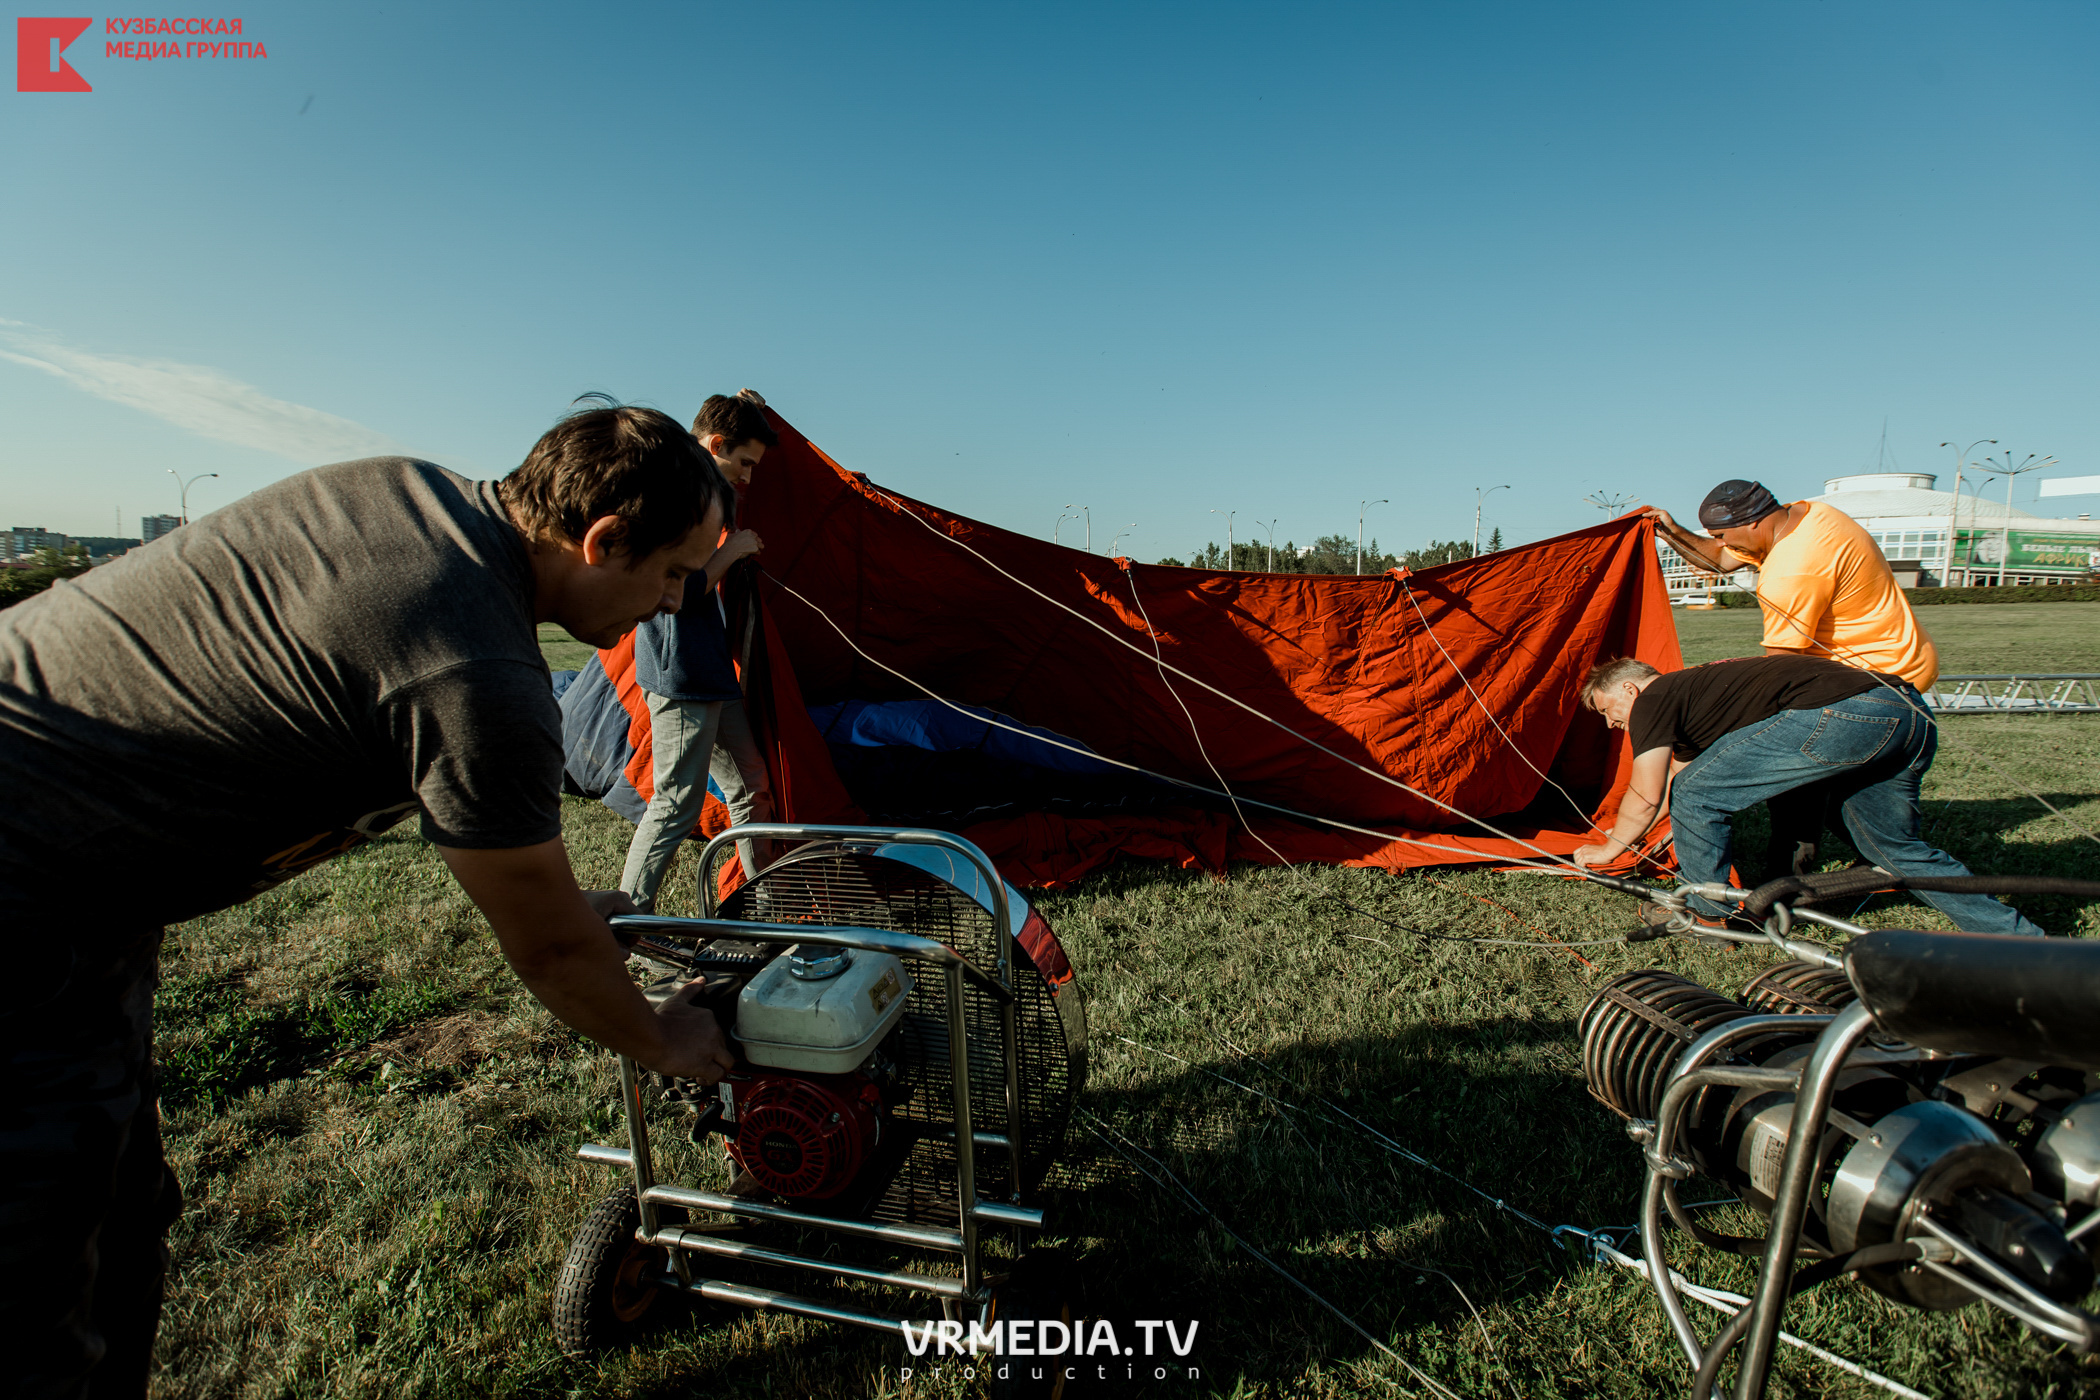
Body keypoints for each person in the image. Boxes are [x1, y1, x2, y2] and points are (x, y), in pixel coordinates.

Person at [0, 402, 740, 1398]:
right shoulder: (478, 666)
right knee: (30, 1284)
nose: (673, 602)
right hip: (29, 902)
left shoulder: (419, 498)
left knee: (124, 1225)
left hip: (92, 894)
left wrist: (574, 905)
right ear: (601, 540)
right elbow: (553, 954)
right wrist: (662, 1040)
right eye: (673, 574)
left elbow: (412, 765)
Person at [1571, 655, 2044, 938]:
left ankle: (1709, 916)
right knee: (1894, 851)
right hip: (1909, 711)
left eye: (1608, 711)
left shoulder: (1656, 697)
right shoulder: (1699, 700)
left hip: (1848, 715)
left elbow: (1652, 790)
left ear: (1629, 689)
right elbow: (1688, 786)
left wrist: (1610, 849)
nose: (1613, 724)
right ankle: (2023, 940)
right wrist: (1668, 830)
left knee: (1695, 794)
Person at [1638, 479, 1941, 877]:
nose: (1723, 544)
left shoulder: (1792, 569)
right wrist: (1672, 531)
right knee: (1866, 809)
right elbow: (1721, 561)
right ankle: (1886, 867)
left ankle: (1787, 880)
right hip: (1902, 676)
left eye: (1722, 535)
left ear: (1754, 523)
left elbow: (1781, 673)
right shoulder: (1811, 515)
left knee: (1790, 781)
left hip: (1863, 687)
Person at [617, 390, 779, 912]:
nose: (748, 477)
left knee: (750, 786)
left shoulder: (701, 486)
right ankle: (627, 921)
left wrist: (743, 401)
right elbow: (671, 596)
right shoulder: (675, 497)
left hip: (710, 671)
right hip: (682, 673)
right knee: (676, 804)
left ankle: (763, 904)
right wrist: (730, 552)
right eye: (744, 463)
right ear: (715, 445)